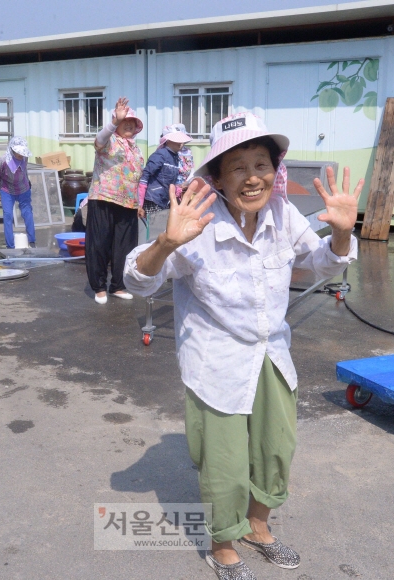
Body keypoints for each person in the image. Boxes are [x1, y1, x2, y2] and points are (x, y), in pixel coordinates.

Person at [124, 112, 363, 580]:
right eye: (237, 168)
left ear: (275, 171)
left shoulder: (281, 213)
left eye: (261, 164)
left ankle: (258, 527)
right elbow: (138, 280)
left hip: (271, 353)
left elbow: (319, 263)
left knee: (276, 450)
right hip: (216, 361)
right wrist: (166, 244)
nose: (252, 178)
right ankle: (223, 545)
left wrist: (338, 234)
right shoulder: (197, 225)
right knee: (226, 464)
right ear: (216, 177)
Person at [86, 97, 144, 305]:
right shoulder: (109, 140)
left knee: (125, 247)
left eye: (132, 122)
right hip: (104, 198)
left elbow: (138, 177)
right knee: (99, 244)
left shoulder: (135, 149)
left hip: (128, 203)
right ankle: (99, 286)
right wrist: (112, 123)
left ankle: (118, 285)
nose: (128, 124)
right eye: (124, 121)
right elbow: (98, 141)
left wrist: (140, 203)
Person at [0, 137, 36, 249]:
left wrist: (28, 185)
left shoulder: (24, 159)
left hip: (23, 188)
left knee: (27, 212)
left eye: (22, 153)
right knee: (8, 215)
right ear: (12, 150)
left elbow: (24, 171)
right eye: (18, 153)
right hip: (7, 190)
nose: (21, 155)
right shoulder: (3, 161)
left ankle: (32, 241)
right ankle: (10, 246)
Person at [138, 124, 192, 216]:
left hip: (165, 201)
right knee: (154, 229)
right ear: (167, 140)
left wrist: (179, 188)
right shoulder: (160, 155)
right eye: (177, 140)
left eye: (182, 140)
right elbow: (145, 177)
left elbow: (169, 182)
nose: (181, 143)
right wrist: (139, 204)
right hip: (153, 199)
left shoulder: (176, 158)